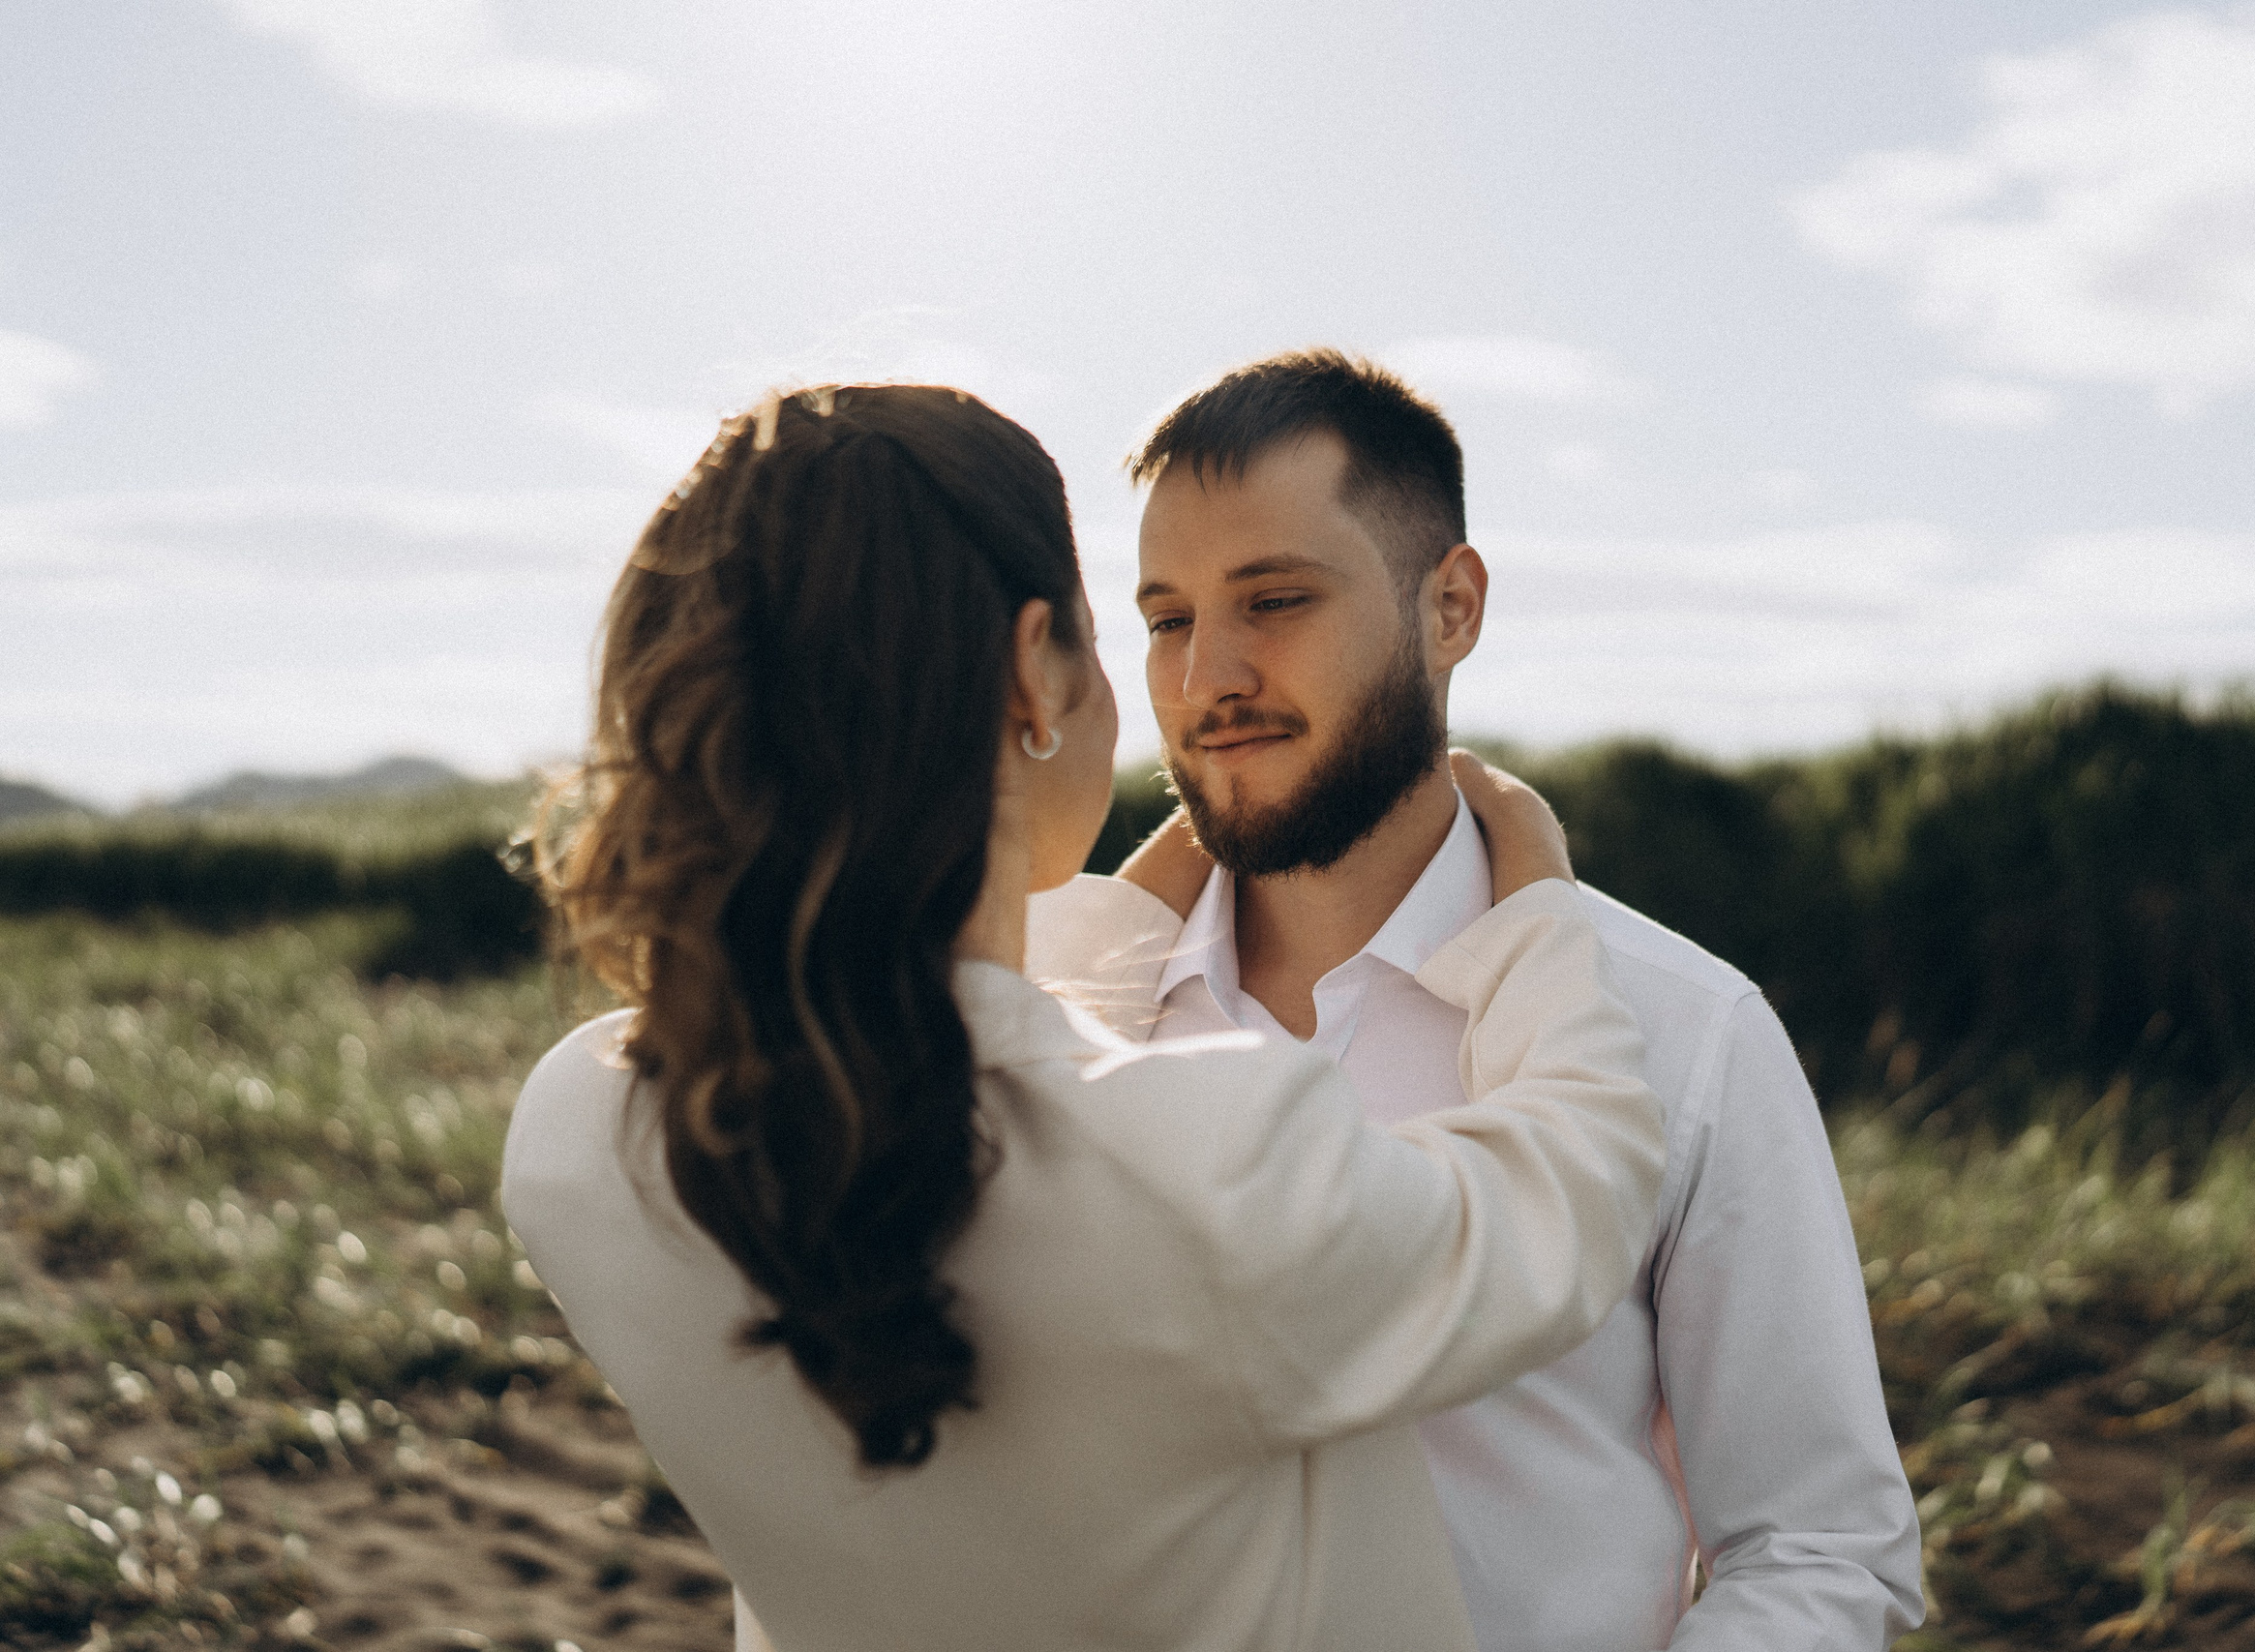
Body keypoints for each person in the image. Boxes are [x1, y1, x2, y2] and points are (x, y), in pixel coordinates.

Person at [498, 382, 1677, 1652]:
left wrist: (1119, 916)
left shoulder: (575, 1138)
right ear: (1032, 669)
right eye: (1146, 625)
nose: (1195, 675)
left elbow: (968, 1046)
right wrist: (1535, 898)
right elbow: (1578, 1185)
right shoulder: (1209, 1172)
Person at [1029, 350, 1925, 1651]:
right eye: (1167, 619)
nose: (1206, 677)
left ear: (1450, 607)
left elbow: (1817, 1543)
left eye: (1274, 600)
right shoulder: (1053, 1027)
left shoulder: (1685, 1028)